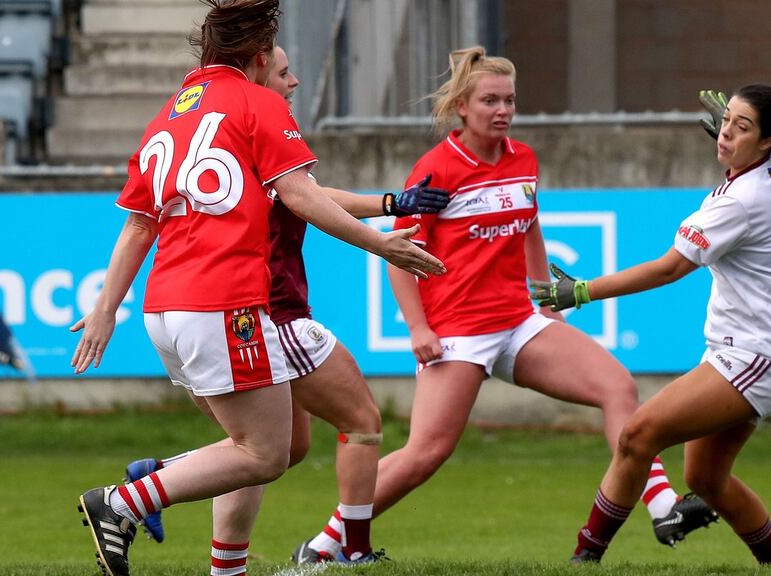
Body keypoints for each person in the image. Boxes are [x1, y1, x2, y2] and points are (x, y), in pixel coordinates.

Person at [292, 46, 717, 564]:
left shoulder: (522, 159)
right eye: (490, 100)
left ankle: (664, 505)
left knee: (617, 386)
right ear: (462, 108)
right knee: (427, 454)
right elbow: (399, 256)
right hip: (457, 332)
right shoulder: (437, 169)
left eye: (509, 100)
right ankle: (323, 546)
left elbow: (530, 226)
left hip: (518, 320)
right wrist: (418, 329)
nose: (503, 110)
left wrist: (547, 300)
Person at [70, 3, 446, 575]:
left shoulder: (173, 113)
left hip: (165, 308)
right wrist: (383, 243)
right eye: (281, 65)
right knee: (264, 451)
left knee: (266, 446)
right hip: (226, 303)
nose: (289, 80)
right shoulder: (256, 104)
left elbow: (140, 222)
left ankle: (225, 566)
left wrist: (105, 309)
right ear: (260, 57)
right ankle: (123, 502)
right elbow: (302, 195)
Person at [532, 85, 771, 564]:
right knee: (705, 479)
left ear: (768, 142)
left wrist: (585, 290)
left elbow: (669, 268)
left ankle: (584, 559)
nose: (725, 134)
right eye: (726, 121)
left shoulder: (738, 202)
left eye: (742, 127)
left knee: (636, 436)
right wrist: (741, 129)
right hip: (755, 352)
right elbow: (768, 151)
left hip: (756, 356)